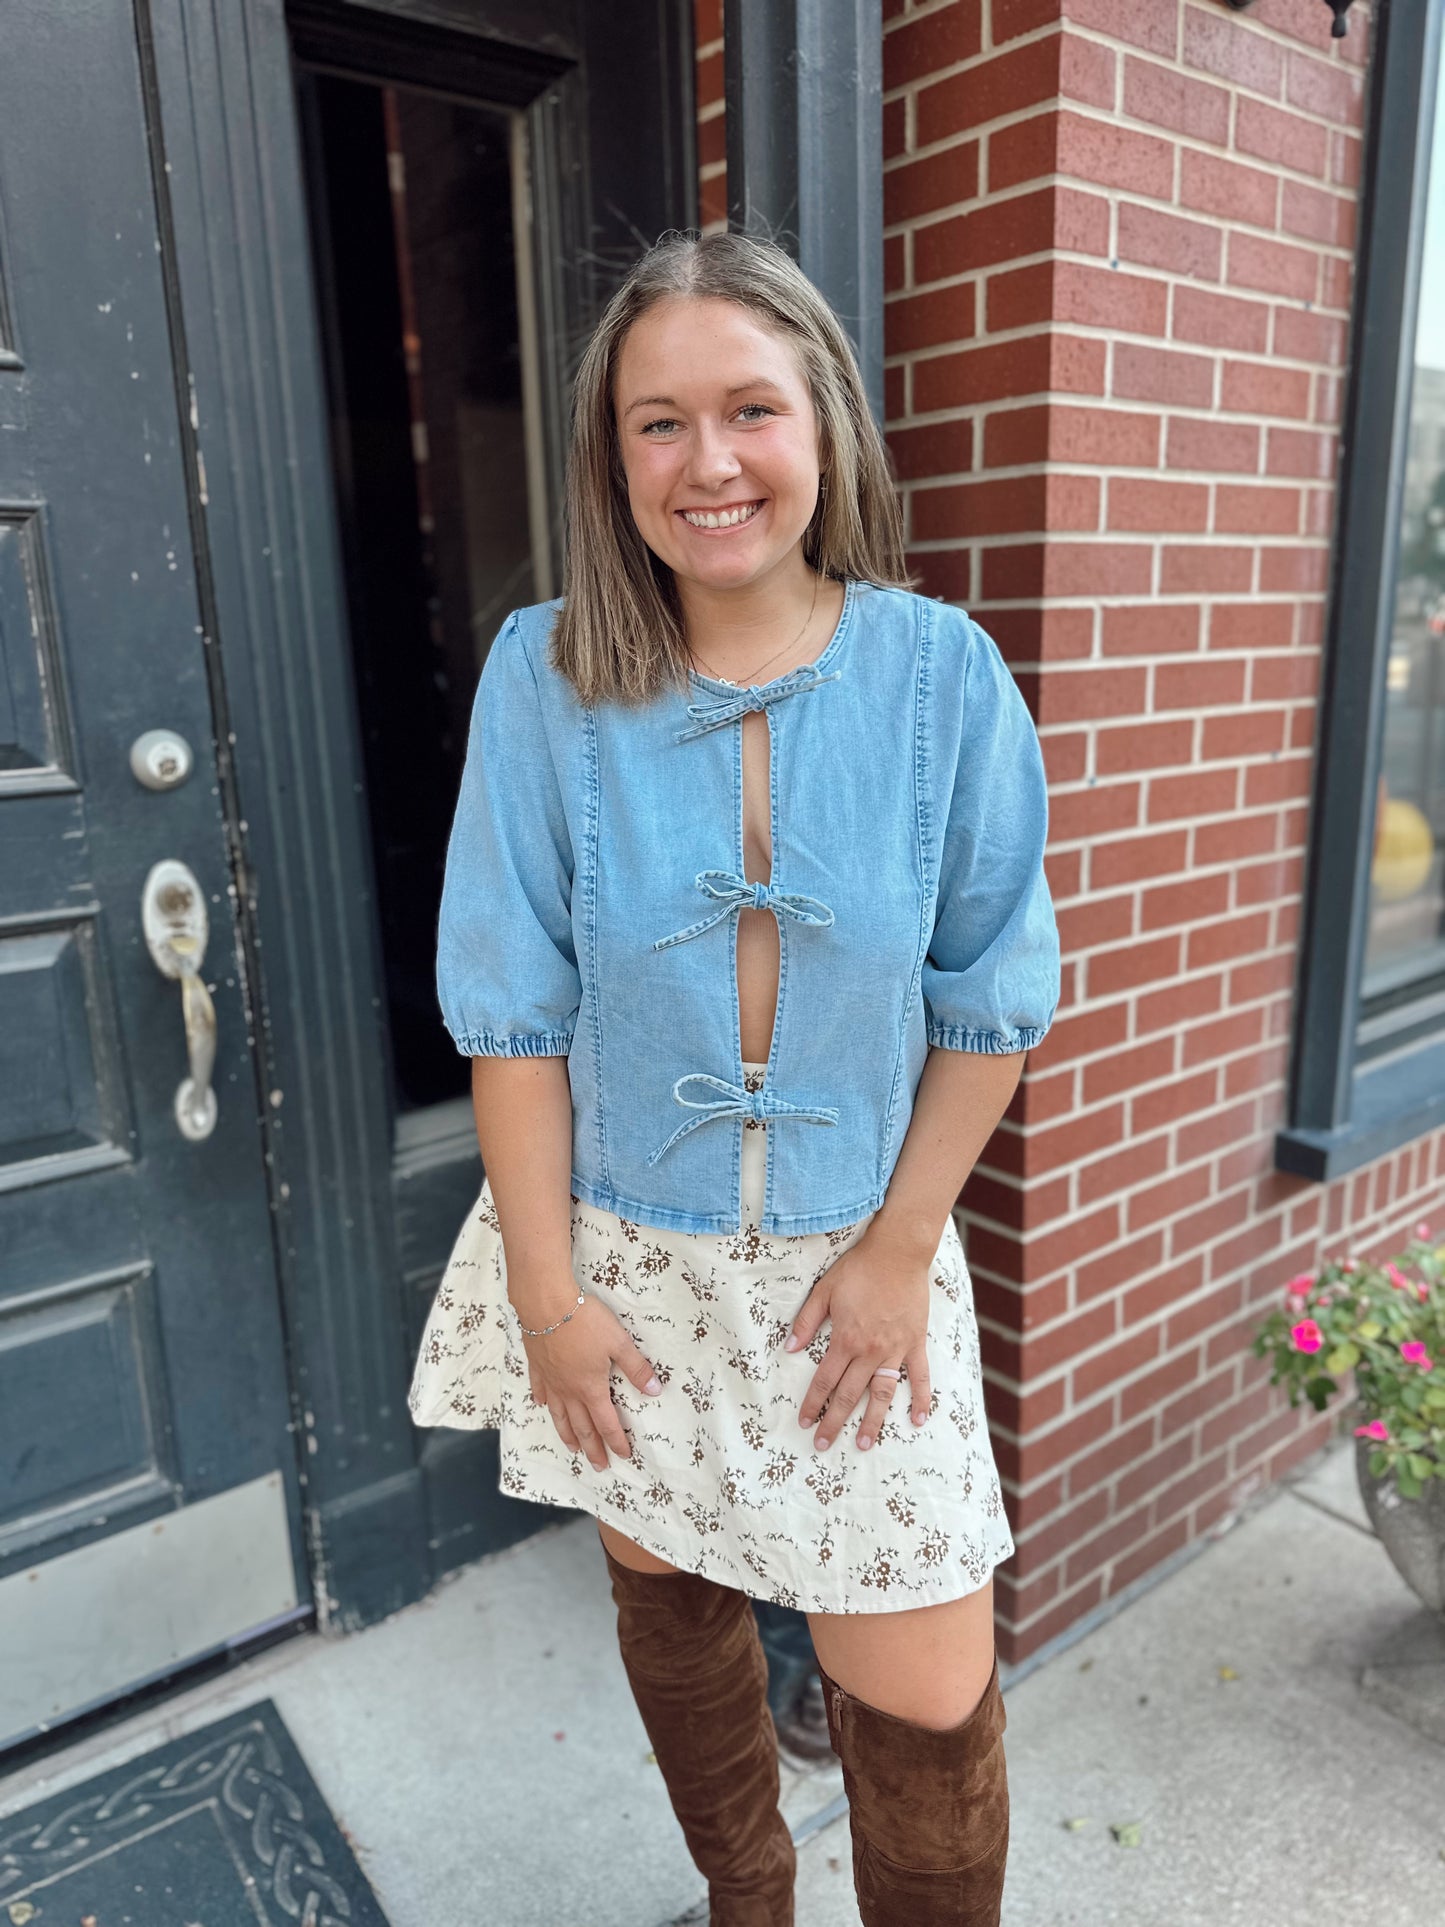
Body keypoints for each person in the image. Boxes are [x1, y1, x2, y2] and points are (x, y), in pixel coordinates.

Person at [408, 228, 1060, 1926]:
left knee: (924, 1695)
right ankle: (745, 1904)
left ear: (822, 424)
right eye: (656, 423)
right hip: (622, 1259)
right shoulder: (542, 677)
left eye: (748, 409)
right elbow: (511, 1012)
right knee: (674, 1605)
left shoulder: (943, 676)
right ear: (610, 455)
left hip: (866, 1260)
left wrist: (902, 1250)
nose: (707, 463)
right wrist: (549, 1296)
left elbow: (990, 998)